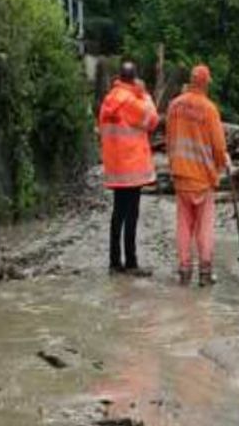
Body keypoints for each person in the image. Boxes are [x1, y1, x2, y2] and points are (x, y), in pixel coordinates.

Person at [166, 64, 230, 287]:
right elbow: (219, 145)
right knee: (204, 226)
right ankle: (205, 271)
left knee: (183, 224)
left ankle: (184, 270)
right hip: (202, 177)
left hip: (180, 174)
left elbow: (169, 138)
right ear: (206, 83)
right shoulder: (209, 109)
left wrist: (172, 164)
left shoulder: (174, 106)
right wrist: (223, 164)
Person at [98, 60, 159, 276]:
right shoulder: (132, 101)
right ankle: (131, 262)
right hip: (132, 168)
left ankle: (114, 262)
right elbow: (152, 120)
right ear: (134, 79)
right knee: (131, 214)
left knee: (117, 214)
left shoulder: (108, 100)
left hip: (115, 168)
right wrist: (145, 95)